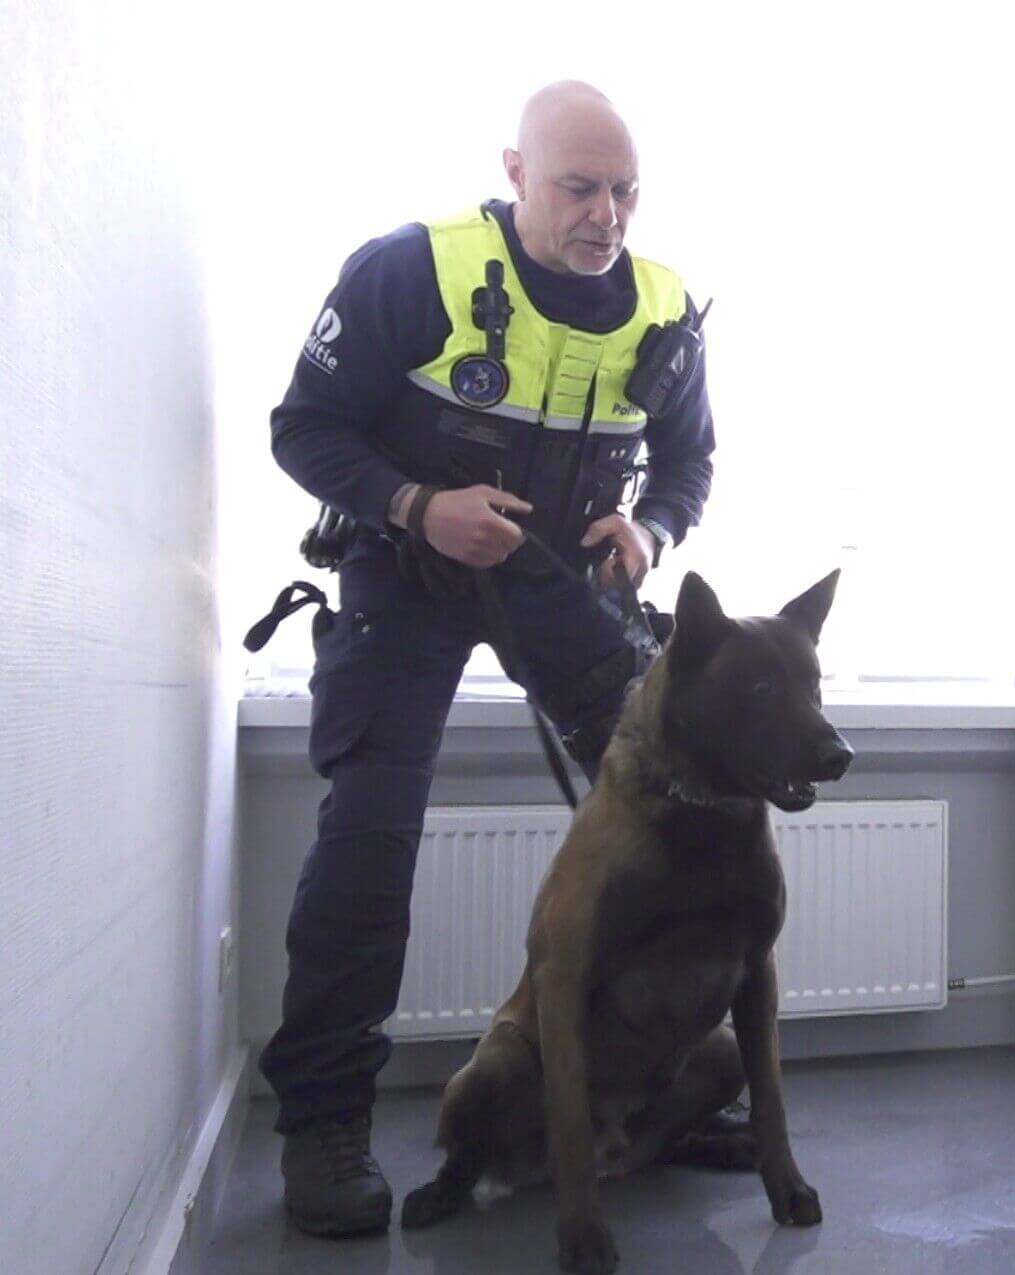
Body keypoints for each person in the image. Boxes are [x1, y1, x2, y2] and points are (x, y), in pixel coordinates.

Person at [256, 82, 716, 1238]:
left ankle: (651, 1090)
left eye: (625, 192)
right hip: (407, 572)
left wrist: (651, 529)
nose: (606, 215)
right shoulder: (410, 270)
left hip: (559, 586)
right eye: (578, 188)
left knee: (681, 819)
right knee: (368, 839)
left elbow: (689, 463)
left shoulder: (664, 304)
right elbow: (301, 428)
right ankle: (323, 1123)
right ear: (515, 172)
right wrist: (417, 505)